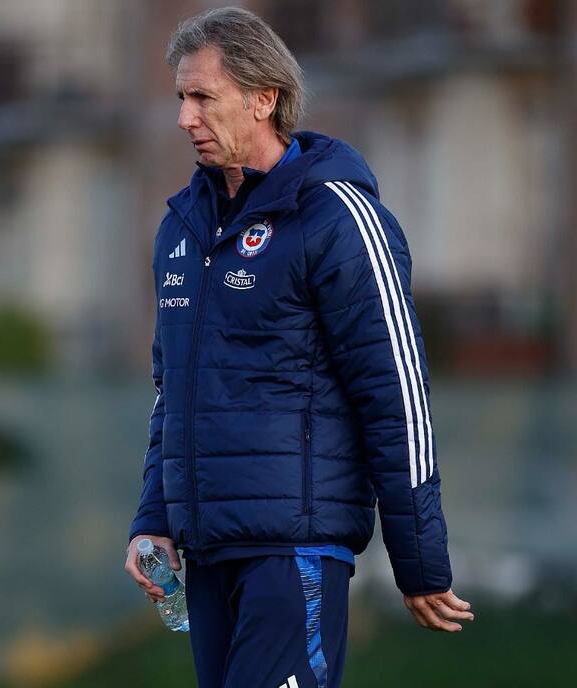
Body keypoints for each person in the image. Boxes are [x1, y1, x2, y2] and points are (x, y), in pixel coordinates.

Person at [124, 7, 473, 688]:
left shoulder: (338, 217)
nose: (184, 118)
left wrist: (419, 559)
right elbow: (174, 393)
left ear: (264, 99)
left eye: (201, 97)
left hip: (295, 554)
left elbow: (396, 393)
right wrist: (154, 520)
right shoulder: (181, 231)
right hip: (208, 551)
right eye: (180, 98)